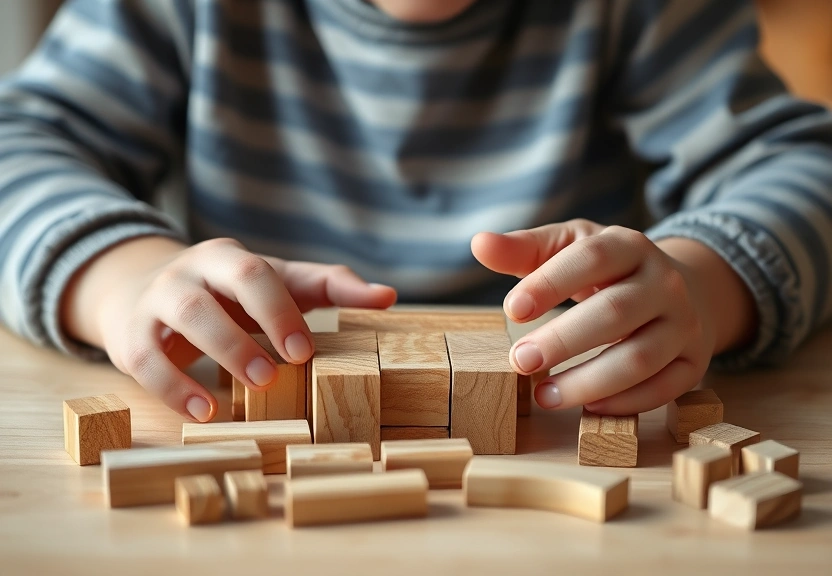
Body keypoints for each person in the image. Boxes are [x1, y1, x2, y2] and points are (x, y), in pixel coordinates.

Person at [1, 0, 830, 423]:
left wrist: (698, 288)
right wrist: (120, 278)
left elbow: (806, 168)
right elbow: (21, 144)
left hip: (565, 413)